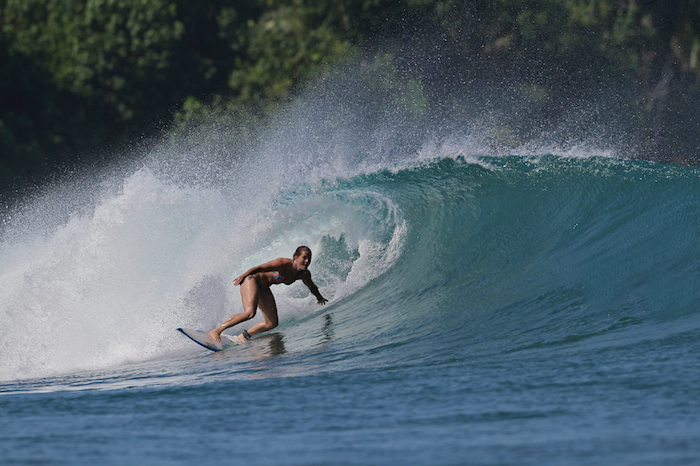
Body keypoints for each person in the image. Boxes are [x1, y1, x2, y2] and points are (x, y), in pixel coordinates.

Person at [207, 246, 328, 344]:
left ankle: (243, 337)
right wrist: (243, 276)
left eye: (309, 258)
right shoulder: (283, 263)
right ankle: (216, 331)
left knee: (272, 323)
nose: (307, 261)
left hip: (264, 288)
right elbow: (259, 268)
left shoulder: (304, 274)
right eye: (304, 258)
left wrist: (319, 297)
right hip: (251, 279)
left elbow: (312, 286)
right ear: (295, 257)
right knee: (250, 313)